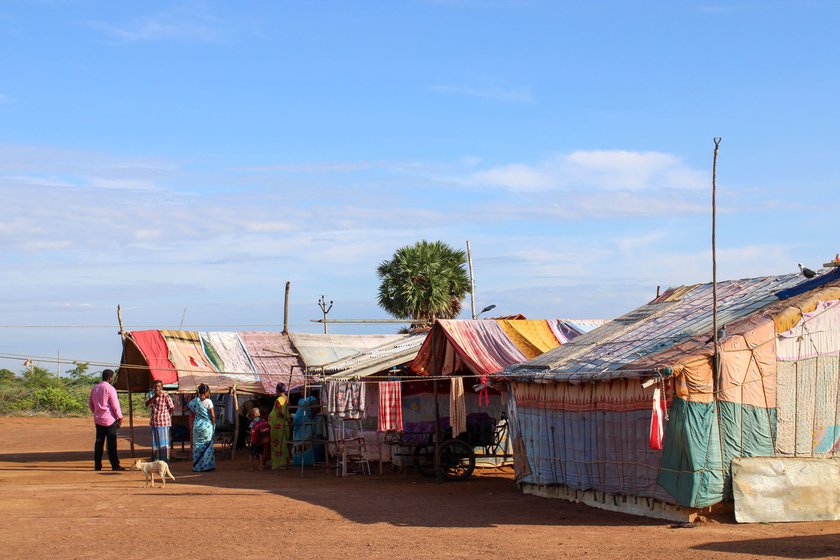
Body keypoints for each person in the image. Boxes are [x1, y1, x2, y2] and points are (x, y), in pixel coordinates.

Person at [88, 369, 125, 471]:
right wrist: (119, 417)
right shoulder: (110, 388)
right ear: (110, 378)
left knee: (99, 443)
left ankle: (97, 465)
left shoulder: (95, 388)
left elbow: (90, 404)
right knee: (111, 444)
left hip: (98, 419)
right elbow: (115, 405)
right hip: (110, 420)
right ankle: (115, 465)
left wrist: (96, 412)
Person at [186, 383, 215, 472]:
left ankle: (197, 466)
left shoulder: (194, 402)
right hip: (206, 427)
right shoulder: (208, 401)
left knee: (197, 446)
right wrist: (214, 425)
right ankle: (207, 466)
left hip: (197, 426)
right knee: (207, 446)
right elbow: (213, 416)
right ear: (206, 392)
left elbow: (187, 407)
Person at [145, 380, 175, 462]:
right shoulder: (150, 394)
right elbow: (146, 404)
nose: (157, 388)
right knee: (156, 441)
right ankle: (156, 459)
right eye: (155, 386)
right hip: (154, 421)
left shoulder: (165, 395)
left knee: (164, 441)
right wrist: (155, 396)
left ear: (161, 387)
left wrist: (167, 414)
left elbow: (172, 407)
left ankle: (165, 459)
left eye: (158, 386)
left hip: (164, 422)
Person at [268, 382, 291, 470]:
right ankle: (284, 463)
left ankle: (278, 464)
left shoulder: (279, 400)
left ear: (277, 390)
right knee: (284, 443)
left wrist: (286, 419)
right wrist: (288, 420)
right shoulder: (287, 399)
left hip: (278, 424)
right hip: (284, 424)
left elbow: (280, 412)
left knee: (276, 445)